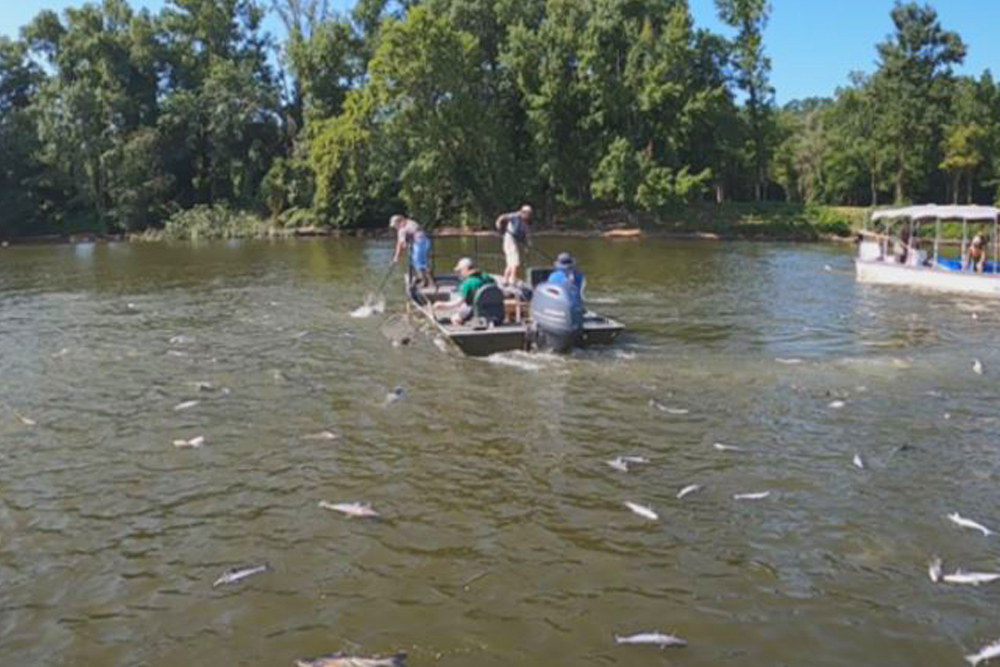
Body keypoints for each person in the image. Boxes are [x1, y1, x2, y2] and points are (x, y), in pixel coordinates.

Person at [433, 257, 495, 325]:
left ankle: (463, 327)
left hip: (476, 309)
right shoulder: (488, 277)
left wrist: (442, 305)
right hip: (493, 308)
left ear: (465, 269)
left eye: (460, 271)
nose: (459, 273)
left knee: (455, 318)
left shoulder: (467, 283)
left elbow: (458, 302)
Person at [390, 214, 434, 289]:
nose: (395, 227)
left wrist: (396, 258)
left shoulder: (402, 230)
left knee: (418, 263)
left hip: (419, 243)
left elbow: (402, 245)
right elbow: (400, 243)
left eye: (395, 225)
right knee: (423, 262)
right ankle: (429, 280)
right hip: (426, 241)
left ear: (399, 222)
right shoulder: (411, 222)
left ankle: (425, 282)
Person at [495, 204, 532, 285]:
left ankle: (505, 279)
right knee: (515, 261)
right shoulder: (515, 216)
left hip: (516, 241)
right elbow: (502, 217)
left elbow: (527, 233)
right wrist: (498, 224)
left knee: (511, 262)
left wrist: (528, 244)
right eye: (527, 213)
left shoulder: (527, 221)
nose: (528, 215)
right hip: (510, 239)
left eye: (530, 214)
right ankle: (513, 279)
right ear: (523, 212)